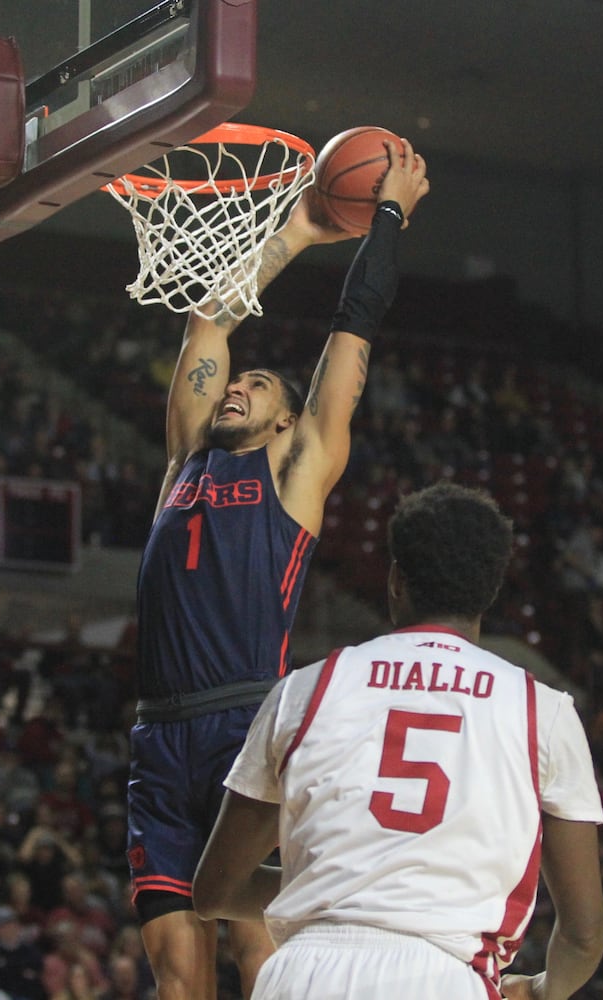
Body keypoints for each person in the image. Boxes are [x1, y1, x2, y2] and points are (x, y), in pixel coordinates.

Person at [127, 138, 430, 1000]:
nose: (236, 386)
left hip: (243, 729)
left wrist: (388, 216)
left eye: (257, 385)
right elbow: (210, 323)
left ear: (287, 424)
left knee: (258, 950)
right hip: (157, 735)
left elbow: (351, 334)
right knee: (173, 969)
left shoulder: (296, 475)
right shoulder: (184, 461)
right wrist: (295, 228)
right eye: (235, 383)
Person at [190, 482, 603, 999]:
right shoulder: (541, 711)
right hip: (440, 977)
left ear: (394, 581)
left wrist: (343, 888)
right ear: (491, 590)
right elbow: (584, 933)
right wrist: (543, 990)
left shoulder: (304, 689)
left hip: (301, 975)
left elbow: (215, 890)